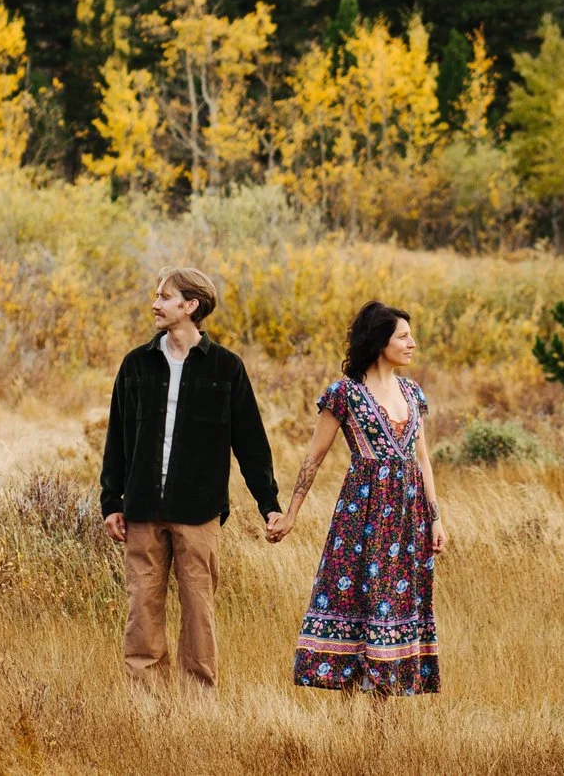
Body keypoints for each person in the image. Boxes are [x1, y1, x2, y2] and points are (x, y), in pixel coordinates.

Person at [99, 266, 283, 693]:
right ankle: (145, 702)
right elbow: (117, 438)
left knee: (198, 609)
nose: (155, 304)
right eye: (157, 296)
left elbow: (251, 444)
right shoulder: (136, 365)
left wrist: (268, 504)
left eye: (164, 296)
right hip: (142, 509)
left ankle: (197, 702)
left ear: (190, 305)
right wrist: (112, 501)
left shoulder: (226, 368)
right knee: (142, 608)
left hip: (199, 513)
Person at [268, 300, 444, 696]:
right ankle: (354, 726)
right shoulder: (345, 393)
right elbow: (313, 458)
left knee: (396, 611)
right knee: (359, 609)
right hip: (362, 516)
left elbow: (423, 460)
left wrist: (435, 517)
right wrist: (291, 514)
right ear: (381, 342)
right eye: (403, 336)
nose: (412, 343)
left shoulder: (413, 392)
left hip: (407, 519)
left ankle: (382, 727)